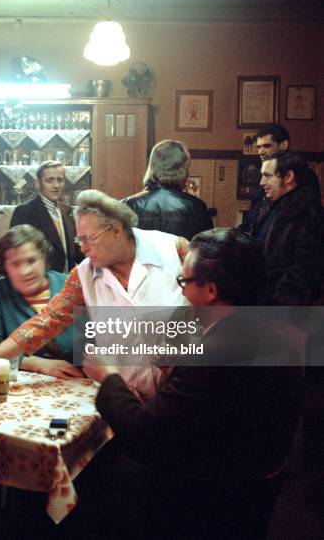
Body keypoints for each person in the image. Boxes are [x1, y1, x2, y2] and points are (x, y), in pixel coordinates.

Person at [82, 228, 303, 539]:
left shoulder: (214, 355)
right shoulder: (279, 337)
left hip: (205, 502)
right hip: (252, 494)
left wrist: (109, 378)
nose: (182, 292)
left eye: (185, 282)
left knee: (97, 485)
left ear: (210, 291)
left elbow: (145, 437)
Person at [0, 190, 188, 392]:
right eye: (79, 239)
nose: (82, 248)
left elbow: (214, 307)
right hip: (125, 396)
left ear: (116, 231)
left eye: (88, 239)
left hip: (182, 393)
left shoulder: (175, 250)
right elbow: (44, 323)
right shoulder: (83, 275)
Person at [0, 225, 81, 378]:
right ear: (4, 267)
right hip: (22, 386)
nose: (25, 271)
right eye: (15, 264)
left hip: (76, 381)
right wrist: (36, 364)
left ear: (44, 257)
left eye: (31, 261)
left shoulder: (70, 286)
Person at [255, 151, 323, 305]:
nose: (261, 182)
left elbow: (304, 271)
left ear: (288, 177)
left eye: (267, 176)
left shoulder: (309, 214)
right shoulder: (274, 205)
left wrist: (274, 307)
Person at [122, 139, 213, 240]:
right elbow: (205, 250)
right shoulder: (197, 207)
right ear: (183, 169)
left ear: (152, 165)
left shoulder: (129, 204)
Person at [240, 124, 320, 232]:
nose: (261, 152)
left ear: (283, 145)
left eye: (267, 146)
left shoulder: (304, 174)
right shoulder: (265, 172)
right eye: (259, 147)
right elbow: (254, 214)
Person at [10, 160, 81, 272]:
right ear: (38, 183)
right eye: (49, 180)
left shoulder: (67, 211)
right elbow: (18, 254)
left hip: (66, 284)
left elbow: (71, 250)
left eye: (60, 180)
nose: (56, 185)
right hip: (41, 284)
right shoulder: (25, 211)